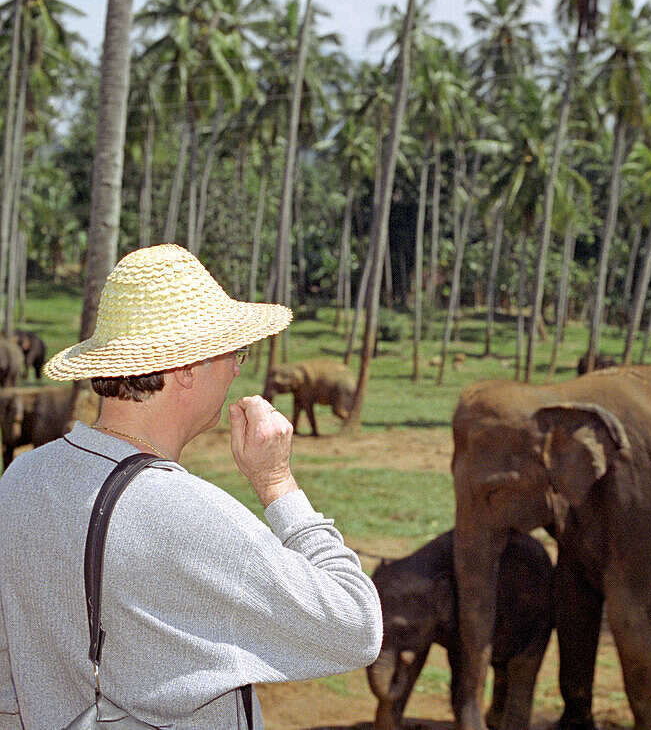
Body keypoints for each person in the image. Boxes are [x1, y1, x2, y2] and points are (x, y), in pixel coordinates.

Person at [0, 244, 382, 728]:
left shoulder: (21, 481)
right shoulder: (191, 516)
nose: (238, 369)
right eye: (232, 352)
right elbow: (356, 626)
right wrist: (276, 482)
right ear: (185, 368)